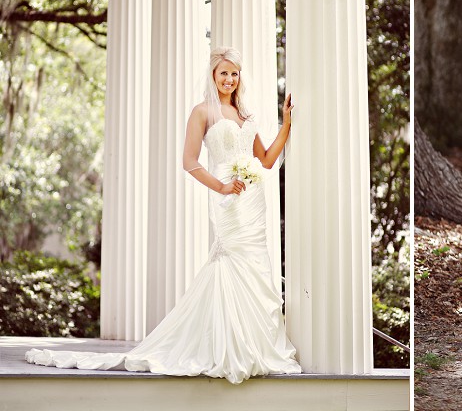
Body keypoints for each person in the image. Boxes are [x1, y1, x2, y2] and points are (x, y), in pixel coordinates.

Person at [26, 47, 302, 384]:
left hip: (253, 201)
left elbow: (267, 159)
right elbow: (190, 161)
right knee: (231, 263)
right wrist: (222, 187)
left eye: (234, 74)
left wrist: (286, 124)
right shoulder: (202, 112)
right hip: (228, 200)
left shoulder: (245, 115)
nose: (229, 79)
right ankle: (227, 347)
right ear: (213, 76)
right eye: (223, 73)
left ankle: (253, 345)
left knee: (256, 267)